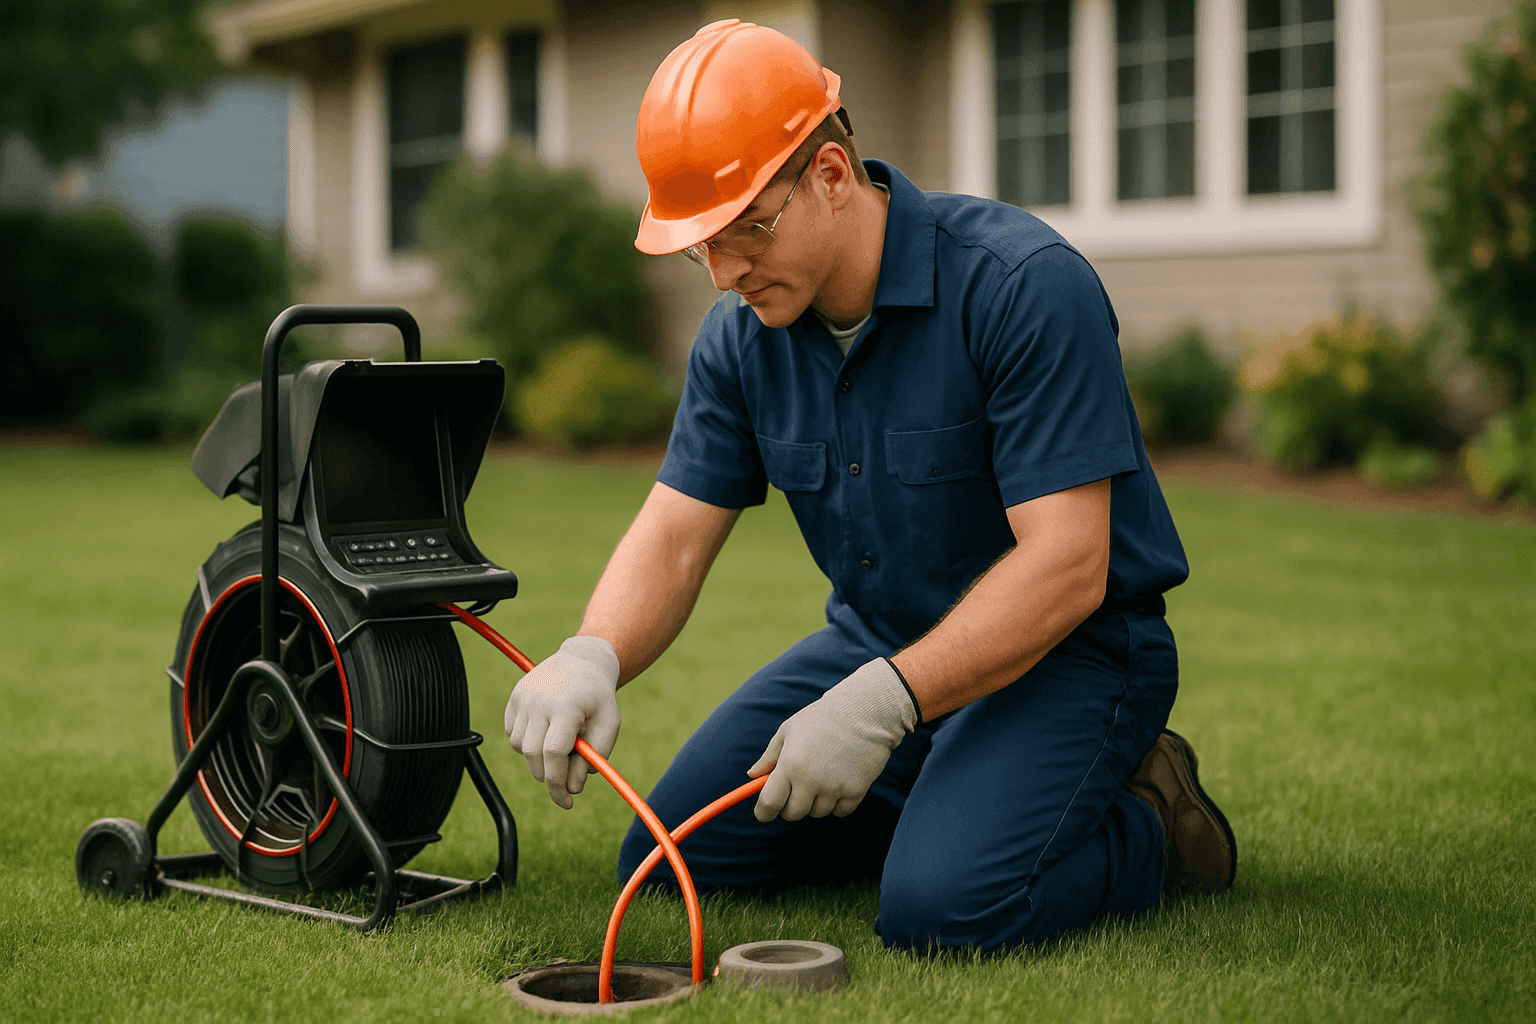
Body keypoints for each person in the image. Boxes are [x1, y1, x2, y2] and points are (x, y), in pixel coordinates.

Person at [502, 19, 1236, 950]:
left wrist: (882, 703)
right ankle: (952, 803)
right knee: (681, 860)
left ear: (833, 178)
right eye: (701, 249)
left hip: (1074, 655)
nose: (724, 274)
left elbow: (1068, 565)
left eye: (746, 230)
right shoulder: (742, 338)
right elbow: (678, 532)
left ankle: (1152, 828)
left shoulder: (1020, 286)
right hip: (878, 643)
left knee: (945, 911)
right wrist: (591, 654)